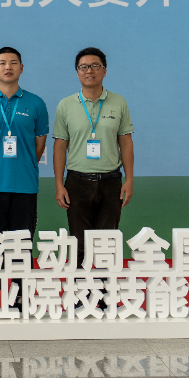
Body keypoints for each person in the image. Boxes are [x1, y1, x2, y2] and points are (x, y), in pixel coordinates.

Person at [0, 47, 50, 270]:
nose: (8, 67)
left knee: (21, 249)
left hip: (24, 186)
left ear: (21, 68)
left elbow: (39, 146)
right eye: (2, 63)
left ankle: (21, 291)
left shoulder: (36, 104)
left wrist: (23, 166)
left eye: (13, 63)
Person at [52, 47, 134, 266]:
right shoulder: (66, 105)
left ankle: (106, 288)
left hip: (111, 182)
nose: (89, 71)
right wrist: (59, 184)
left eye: (95, 66)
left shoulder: (118, 102)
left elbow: (126, 142)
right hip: (77, 182)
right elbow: (60, 146)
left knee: (107, 243)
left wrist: (129, 180)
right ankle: (81, 288)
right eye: (83, 67)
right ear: (77, 72)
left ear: (104, 71)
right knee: (79, 243)